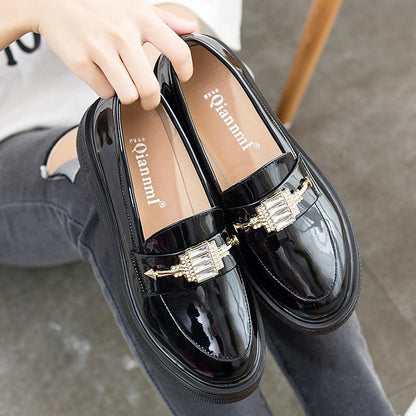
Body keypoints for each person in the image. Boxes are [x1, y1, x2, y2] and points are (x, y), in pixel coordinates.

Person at [0, 0, 395, 414]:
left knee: (208, 106)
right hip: (14, 133)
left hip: (140, 74)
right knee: (112, 184)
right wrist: (35, 10)